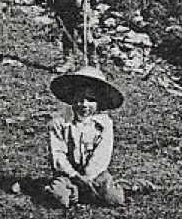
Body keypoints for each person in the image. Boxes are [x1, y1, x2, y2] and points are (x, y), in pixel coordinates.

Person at [40, 65, 127, 209]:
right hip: (69, 174)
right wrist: (74, 175)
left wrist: (87, 177)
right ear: (71, 99)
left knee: (114, 198)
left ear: (98, 102)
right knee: (58, 198)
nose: (84, 105)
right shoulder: (60, 122)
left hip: (94, 174)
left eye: (90, 100)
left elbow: (101, 156)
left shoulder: (104, 124)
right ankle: (73, 191)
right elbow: (58, 155)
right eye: (79, 99)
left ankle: (124, 186)